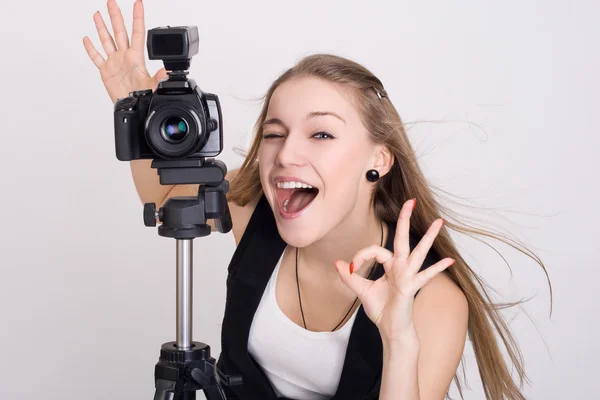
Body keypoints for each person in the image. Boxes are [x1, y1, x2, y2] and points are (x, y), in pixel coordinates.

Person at [83, 1, 551, 399]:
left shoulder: (434, 302)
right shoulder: (255, 223)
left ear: (380, 158)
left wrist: (398, 337)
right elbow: (167, 195)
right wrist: (137, 107)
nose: (286, 153)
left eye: (321, 133)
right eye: (274, 133)